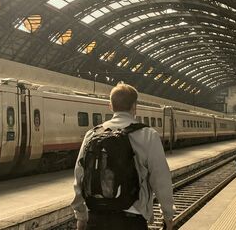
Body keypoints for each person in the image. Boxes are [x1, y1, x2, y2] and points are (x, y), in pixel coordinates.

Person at [71, 83, 175, 230]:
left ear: (110, 106)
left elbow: (79, 177)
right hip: (131, 220)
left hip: (96, 218)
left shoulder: (92, 134)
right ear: (134, 106)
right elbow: (160, 179)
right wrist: (168, 215)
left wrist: (81, 216)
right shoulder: (148, 135)